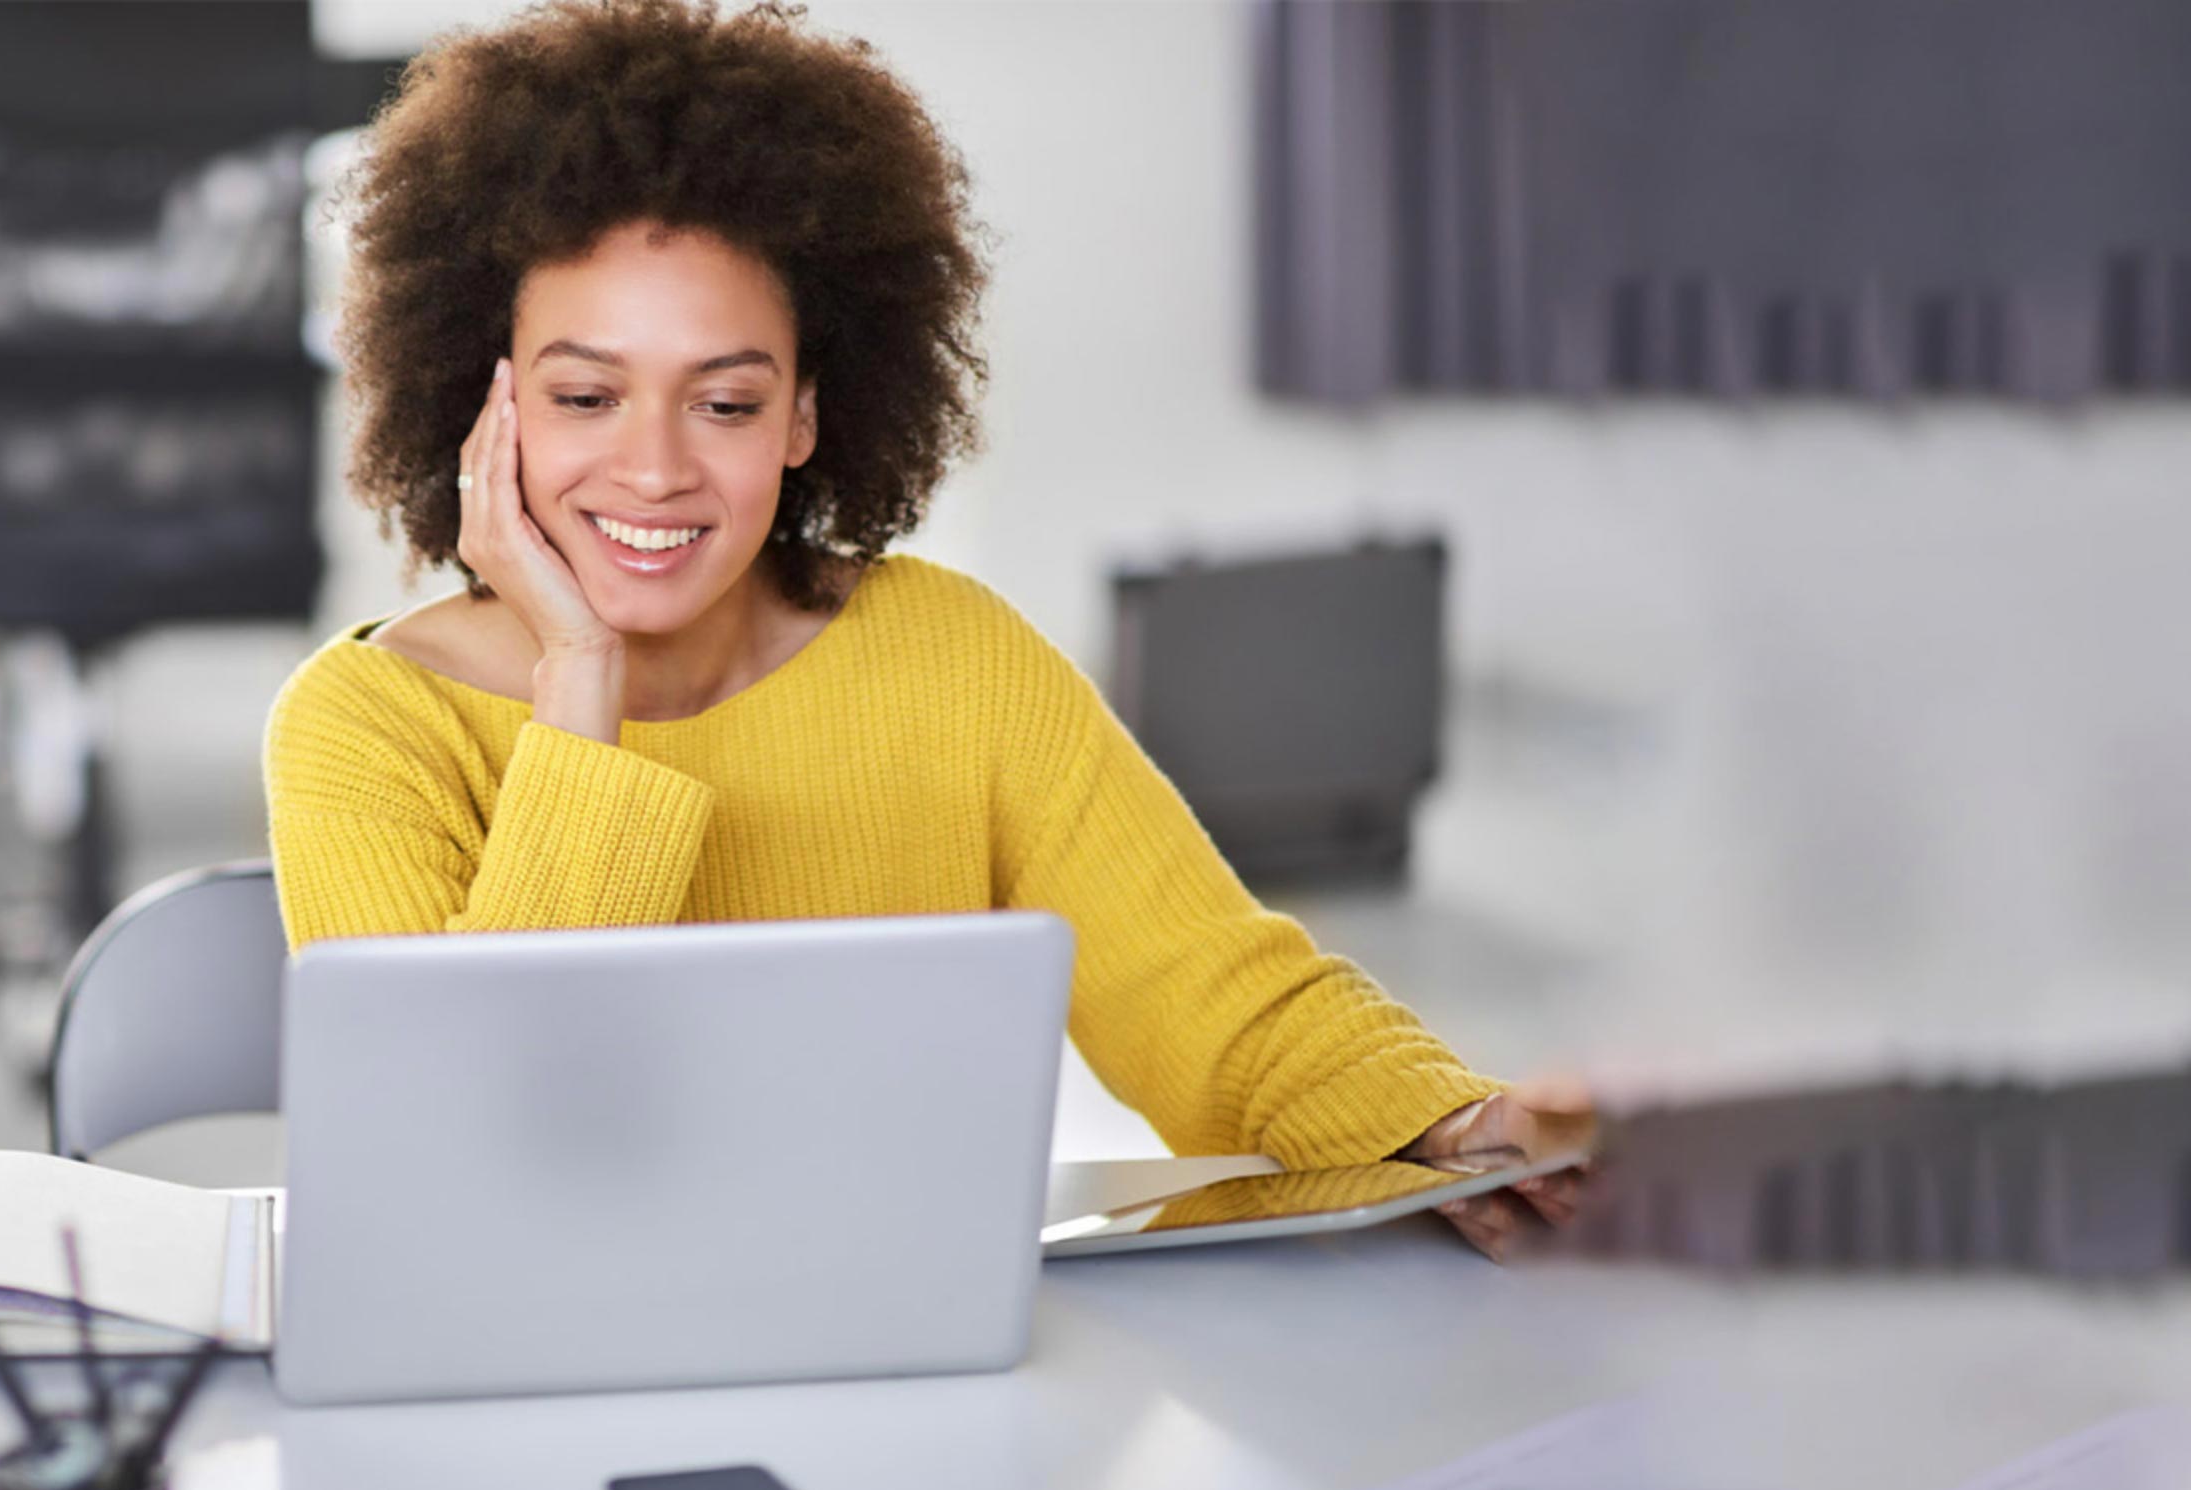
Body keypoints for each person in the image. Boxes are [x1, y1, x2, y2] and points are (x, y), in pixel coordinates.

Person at [264, 0, 1581, 1256]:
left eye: (724, 405)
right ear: (485, 408)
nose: (655, 470)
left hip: (915, 1371)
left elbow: (1214, 1000)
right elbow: (457, 1163)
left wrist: (1461, 1127)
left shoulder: (950, 658)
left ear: (805, 418)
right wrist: (581, 678)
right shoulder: (368, 724)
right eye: (585, 396)